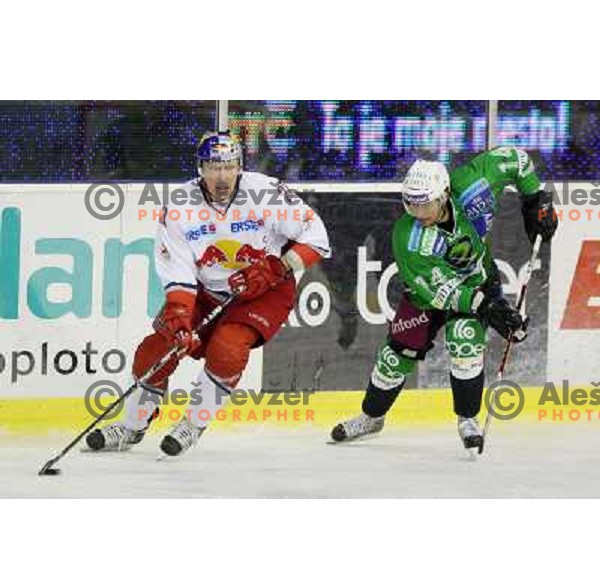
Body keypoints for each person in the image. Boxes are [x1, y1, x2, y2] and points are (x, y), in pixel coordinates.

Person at [86, 131, 330, 456]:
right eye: (213, 167)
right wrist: (179, 313)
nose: (221, 175)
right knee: (155, 350)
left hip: (265, 290)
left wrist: (276, 267)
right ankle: (132, 426)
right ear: (200, 168)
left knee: (228, 348)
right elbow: (179, 270)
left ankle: (193, 423)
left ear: (239, 166)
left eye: (229, 166)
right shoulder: (180, 205)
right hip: (206, 290)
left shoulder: (265, 192)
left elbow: (317, 238)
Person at [330, 147, 557, 451]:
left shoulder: (475, 185)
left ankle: (467, 418)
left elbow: (516, 159)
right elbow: (440, 291)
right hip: (429, 293)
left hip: (477, 278)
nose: (417, 214)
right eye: (410, 205)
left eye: (425, 206)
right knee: (395, 357)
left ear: (445, 194)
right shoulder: (406, 236)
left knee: (465, 342)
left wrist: (534, 200)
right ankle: (372, 417)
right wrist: (488, 307)